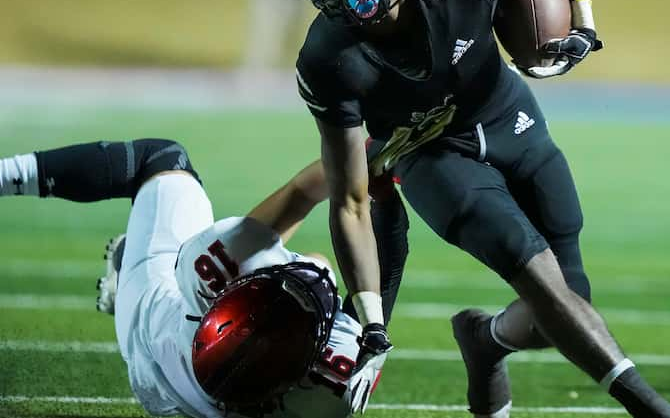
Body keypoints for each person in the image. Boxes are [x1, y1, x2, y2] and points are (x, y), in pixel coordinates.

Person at [288, 0, 670, 418]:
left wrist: (584, 20)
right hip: (430, 156)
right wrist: (372, 317)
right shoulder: (329, 58)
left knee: (563, 310)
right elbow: (351, 198)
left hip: (508, 119)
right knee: (541, 280)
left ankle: (486, 338)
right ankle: (655, 409)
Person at [0, 138, 409, 417]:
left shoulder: (205, 268)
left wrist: (352, 156)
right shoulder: (322, 395)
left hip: (149, 319)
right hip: (181, 385)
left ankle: (125, 267)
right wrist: (382, 187)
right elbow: (382, 280)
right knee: (324, 268)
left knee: (160, 159)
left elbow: (301, 193)